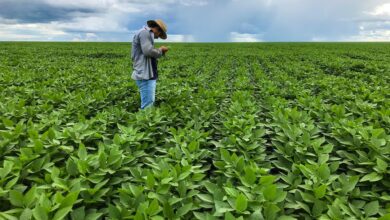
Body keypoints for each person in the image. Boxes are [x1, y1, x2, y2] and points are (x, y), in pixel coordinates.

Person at [131, 19, 169, 110]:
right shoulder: (145, 33)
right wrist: (160, 50)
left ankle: (144, 122)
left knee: (148, 102)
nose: (158, 37)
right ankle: (144, 123)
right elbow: (148, 51)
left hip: (146, 73)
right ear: (157, 29)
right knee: (147, 106)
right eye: (160, 34)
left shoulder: (145, 33)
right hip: (145, 75)